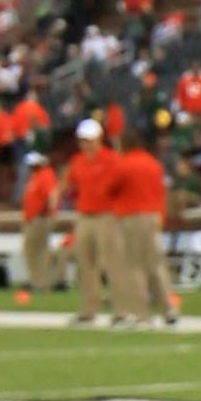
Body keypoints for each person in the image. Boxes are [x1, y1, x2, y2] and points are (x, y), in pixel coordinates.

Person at [111, 125, 179, 326]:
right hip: (152, 216)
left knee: (134, 265)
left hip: (131, 216)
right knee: (156, 264)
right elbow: (161, 192)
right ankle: (169, 308)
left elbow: (110, 188)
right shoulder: (153, 163)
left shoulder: (124, 164)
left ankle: (141, 312)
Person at [61, 113, 118, 326]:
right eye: (82, 140)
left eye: (89, 140)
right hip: (85, 215)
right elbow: (70, 184)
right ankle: (89, 309)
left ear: (99, 139)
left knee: (111, 263)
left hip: (107, 215)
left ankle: (120, 308)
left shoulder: (111, 159)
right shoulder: (78, 161)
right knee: (86, 263)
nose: (85, 144)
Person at [18, 147, 63, 302]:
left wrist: (49, 213)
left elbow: (52, 195)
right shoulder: (36, 176)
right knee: (32, 250)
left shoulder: (46, 175)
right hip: (33, 219)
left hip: (40, 218)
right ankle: (37, 281)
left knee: (38, 250)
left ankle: (41, 283)